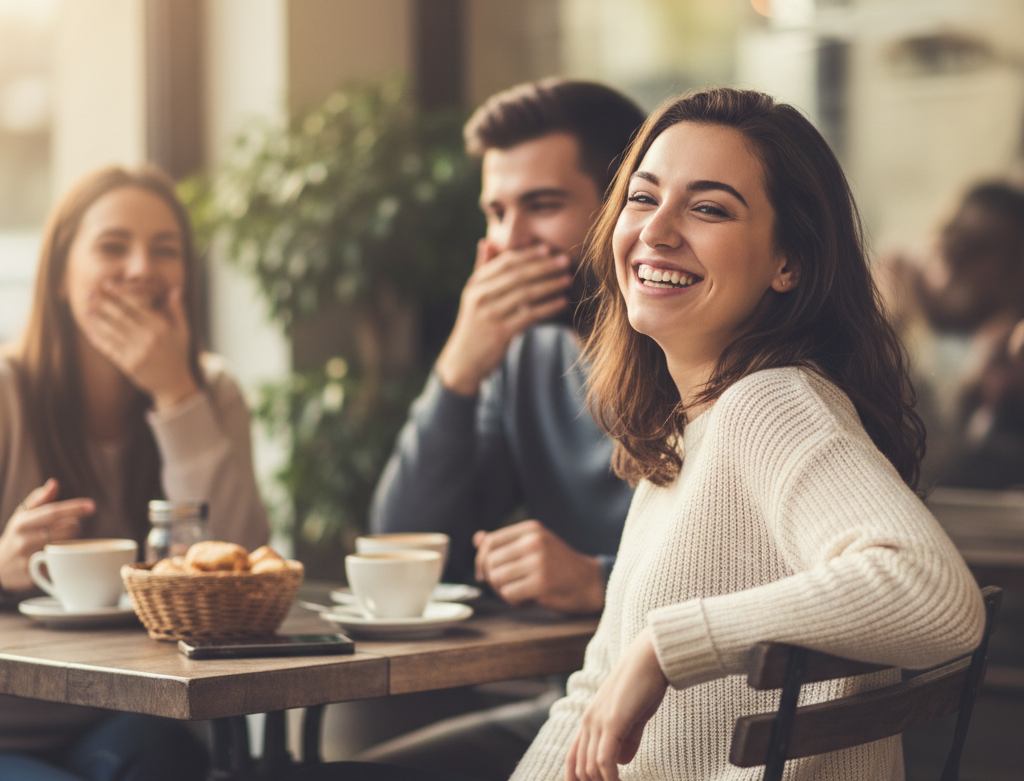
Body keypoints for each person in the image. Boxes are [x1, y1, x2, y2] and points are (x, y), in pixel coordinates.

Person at [511, 88, 985, 781]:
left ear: (787, 262)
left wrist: (667, 646)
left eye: (707, 208)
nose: (657, 230)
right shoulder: (688, 435)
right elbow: (591, 692)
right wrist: (642, 651)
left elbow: (936, 596)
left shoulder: (770, 403)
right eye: (643, 198)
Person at [0, 166, 270, 781]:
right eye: (113, 247)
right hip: (8, 729)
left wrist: (176, 397)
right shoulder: (7, 393)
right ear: (61, 277)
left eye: (165, 250)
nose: (143, 267)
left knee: (165, 757)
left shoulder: (213, 393)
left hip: (127, 717)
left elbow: (239, 575)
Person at [371, 79, 646, 613]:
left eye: (541, 205)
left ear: (626, 203)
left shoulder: (695, 351)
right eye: (496, 213)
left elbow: (760, 568)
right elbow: (408, 559)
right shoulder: (525, 356)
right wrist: (457, 370)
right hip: (564, 686)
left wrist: (599, 581)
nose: (511, 240)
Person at [878, 182, 1024, 490]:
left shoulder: (1006, 358)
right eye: (950, 230)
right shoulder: (891, 314)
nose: (951, 249)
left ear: (1016, 274)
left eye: (978, 246)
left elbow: (936, 467)